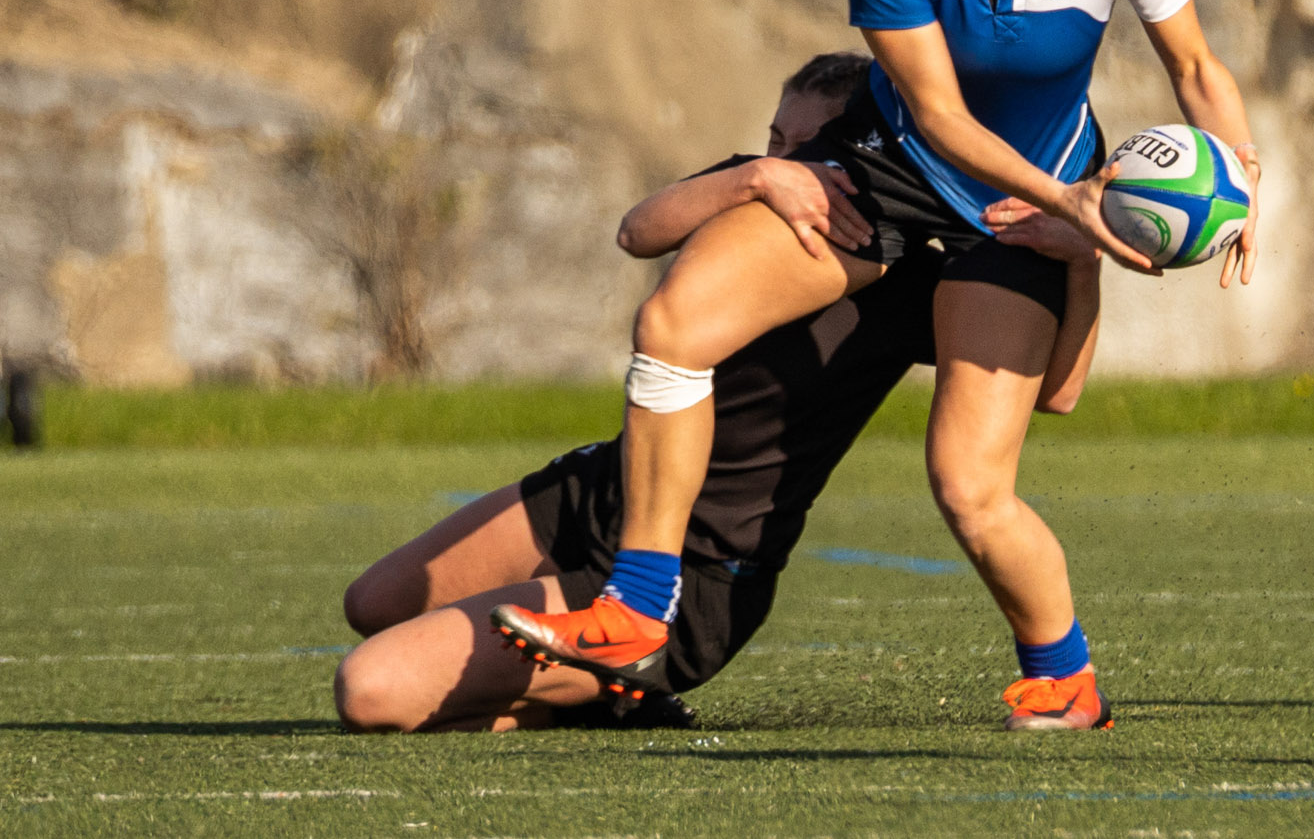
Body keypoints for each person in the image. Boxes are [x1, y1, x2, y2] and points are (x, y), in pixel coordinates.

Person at [495, 0, 1260, 734]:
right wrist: (1077, 205)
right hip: (899, 172)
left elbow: (1196, 65)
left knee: (967, 487)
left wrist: (1239, 177)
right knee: (673, 326)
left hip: (1025, 208)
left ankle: (1063, 675)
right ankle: (634, 605)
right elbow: (940, 118)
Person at [333, 53, 1102, 732]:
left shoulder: (907, 275)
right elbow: (638, 230)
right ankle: (593, 675)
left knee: (371, 690)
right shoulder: (751, 189)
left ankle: (605, 691)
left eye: (808, 144)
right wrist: (757, 175)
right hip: (606, 492)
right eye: (777, 138)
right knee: (372, 602)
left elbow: (1057, 391)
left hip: (705, 570)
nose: (789, 158)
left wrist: (1083, 263)